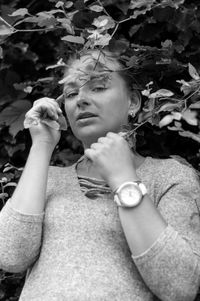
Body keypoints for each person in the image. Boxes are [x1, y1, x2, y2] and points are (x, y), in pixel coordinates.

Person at [0, 49, 200, 301]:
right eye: (71, 93)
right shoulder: (46, 179)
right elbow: (9, 255)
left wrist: (124, 180)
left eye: (98, 87)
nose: (81, 99)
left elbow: (179, 286)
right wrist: (41, 145)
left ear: (134, 102)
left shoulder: (169, 177)